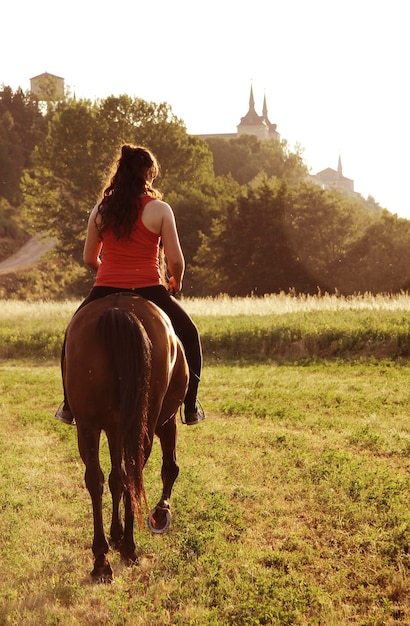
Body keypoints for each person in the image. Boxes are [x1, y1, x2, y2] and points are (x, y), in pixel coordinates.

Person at [55, 144, 205, 426]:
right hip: (149, 287)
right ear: (147, 173)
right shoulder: (160, 210)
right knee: (189, 334)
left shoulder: (101, 210)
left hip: (105, 287)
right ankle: (191, 405)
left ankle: (68, 405)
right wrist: (176, 280)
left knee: (71, 337)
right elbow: (176, 260)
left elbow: (89, 258)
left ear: (120, 172)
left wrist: (109, 273)